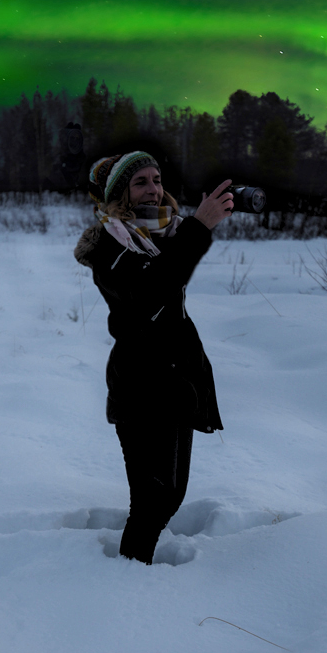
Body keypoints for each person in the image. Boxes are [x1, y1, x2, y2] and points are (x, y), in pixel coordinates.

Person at [73, 152, 233, 564]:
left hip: (177, 381)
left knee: (172, 494)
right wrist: (200, 228)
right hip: (140, 385)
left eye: (157, 178)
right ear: (120, 193)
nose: (154, 188)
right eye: (140, 181)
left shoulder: (161, 235)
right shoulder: (110, 245)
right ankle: (129, 581)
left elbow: (170, 287)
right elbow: (152, 290)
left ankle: (134, 568)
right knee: (152, 499)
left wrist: (191, 230)